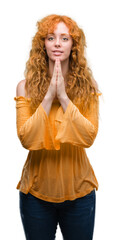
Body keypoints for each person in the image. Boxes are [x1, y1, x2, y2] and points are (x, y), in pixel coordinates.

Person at [14, 14, 101, 240]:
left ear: (73, 45)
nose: (57, 44)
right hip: (35, 197)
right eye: (51, 37)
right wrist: (48, 96)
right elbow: (27, 138)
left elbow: (88, 136)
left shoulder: (88, 88)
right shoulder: (25, 87)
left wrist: (63, 97)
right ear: (43, 43)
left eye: (64, 38)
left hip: (80, 195)